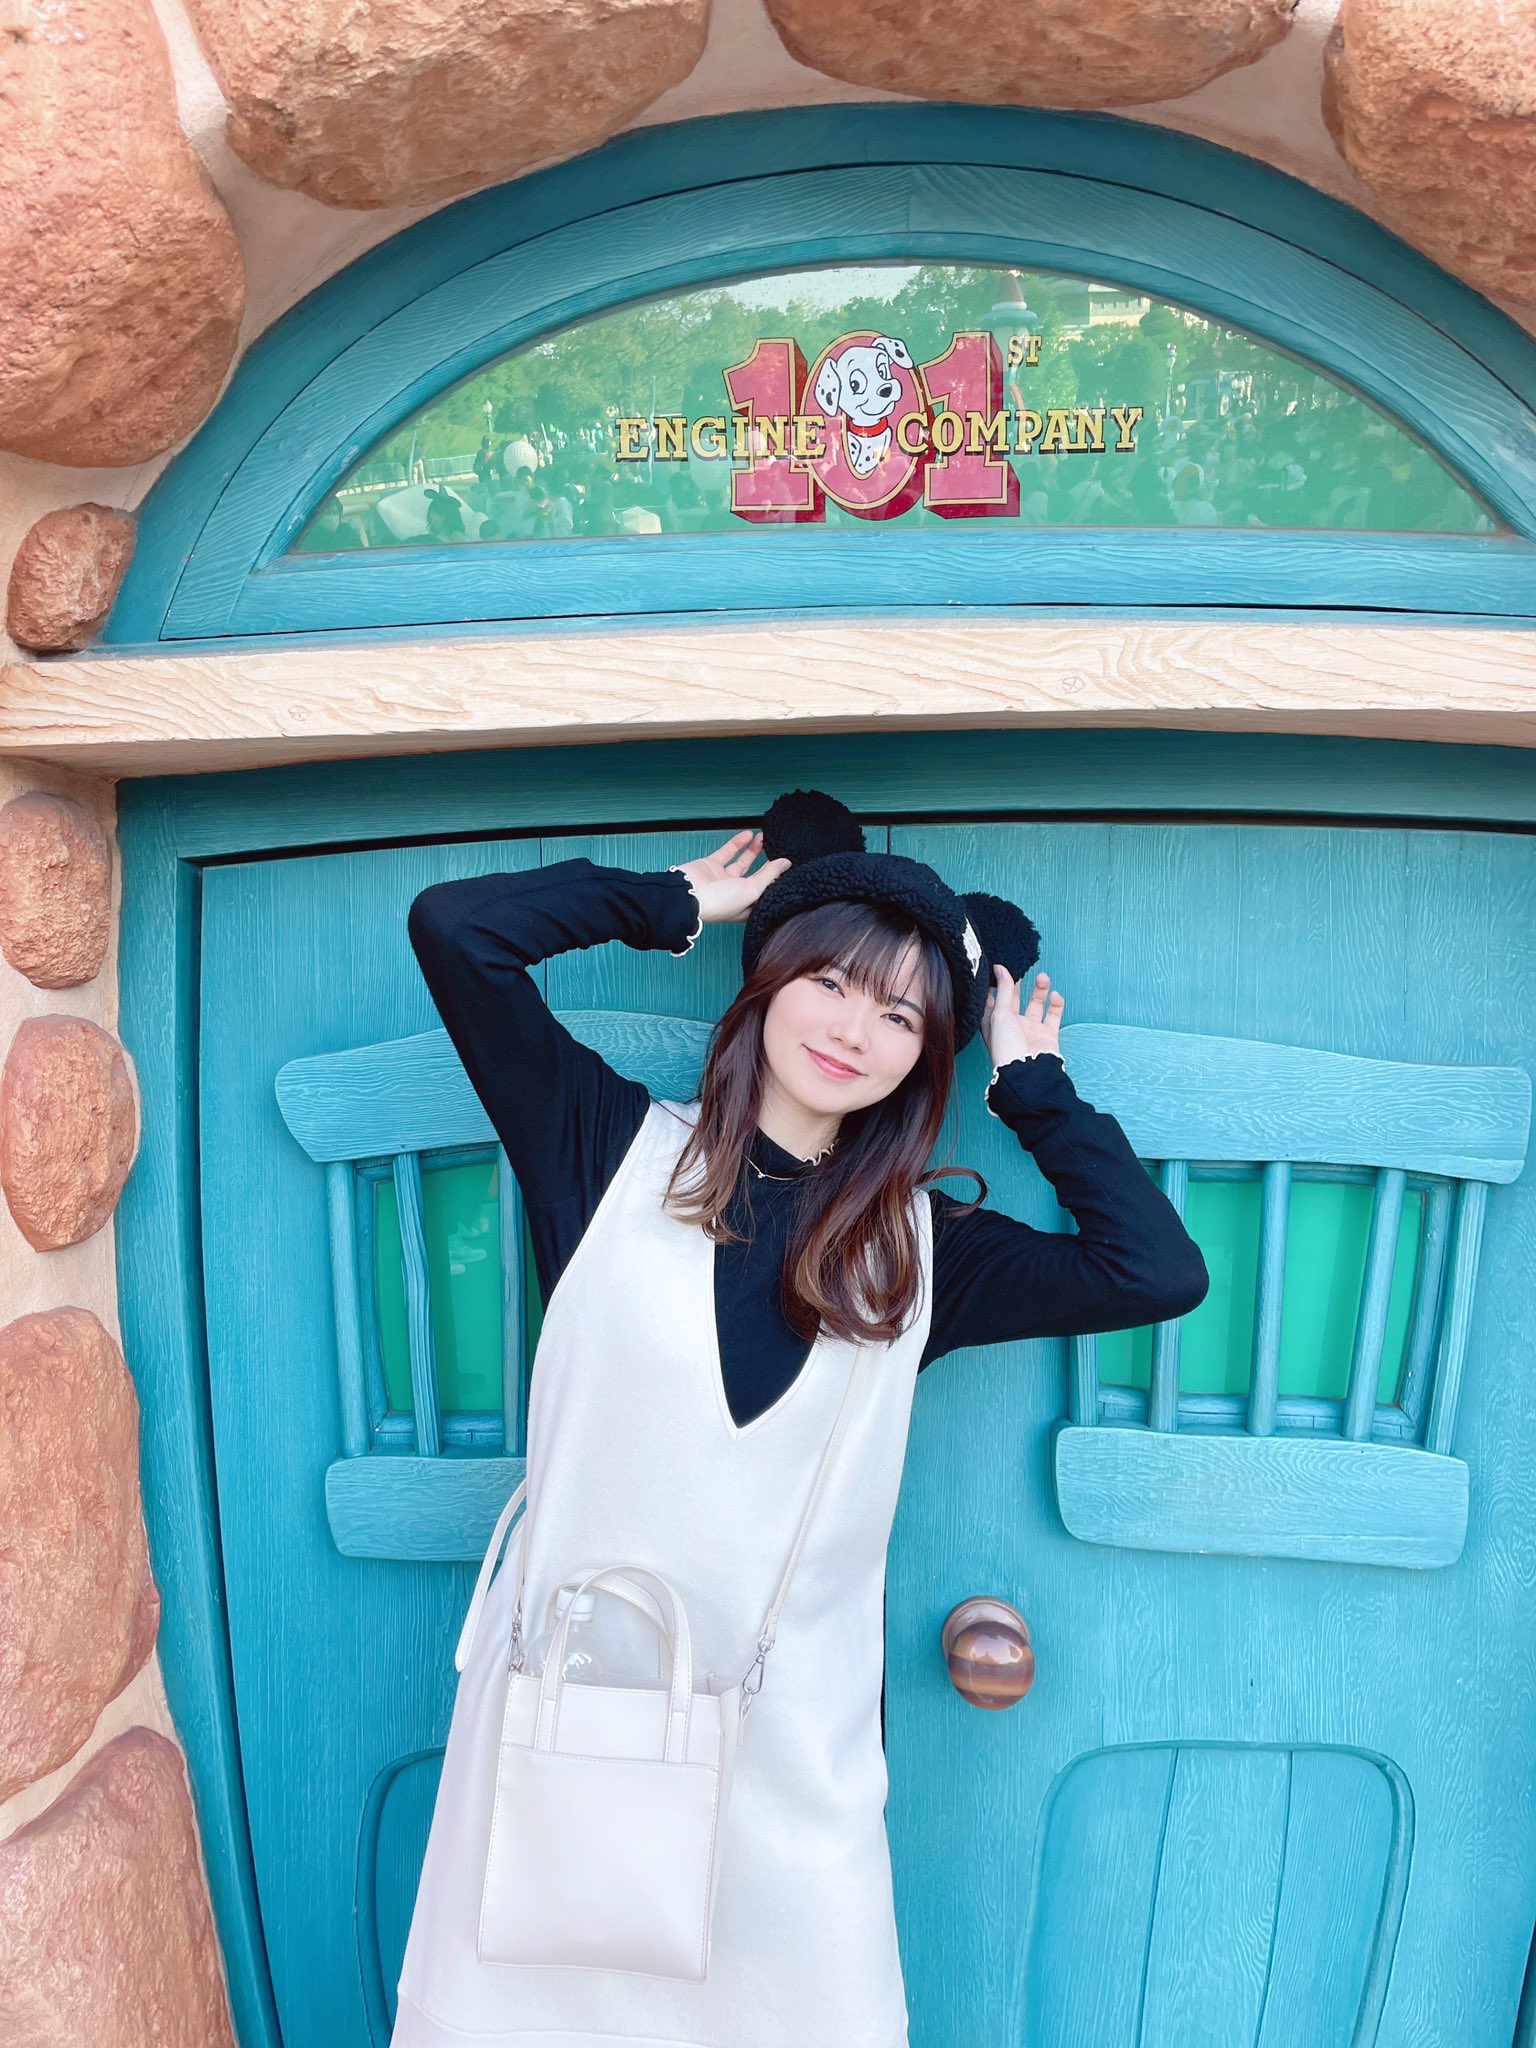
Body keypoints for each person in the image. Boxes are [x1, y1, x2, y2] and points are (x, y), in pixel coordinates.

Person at [391, 789, 1208, 2048]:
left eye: (902, 1014)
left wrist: (1033, 1085)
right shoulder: (603, 1152)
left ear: (926, 1054)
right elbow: (457, 931)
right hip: (571, 1730)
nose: (854, 1030)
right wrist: (679, 901)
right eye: (831, 980)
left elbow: (1154, 1270)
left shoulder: (924, 1254)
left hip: (792, 1771)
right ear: (771, 978)